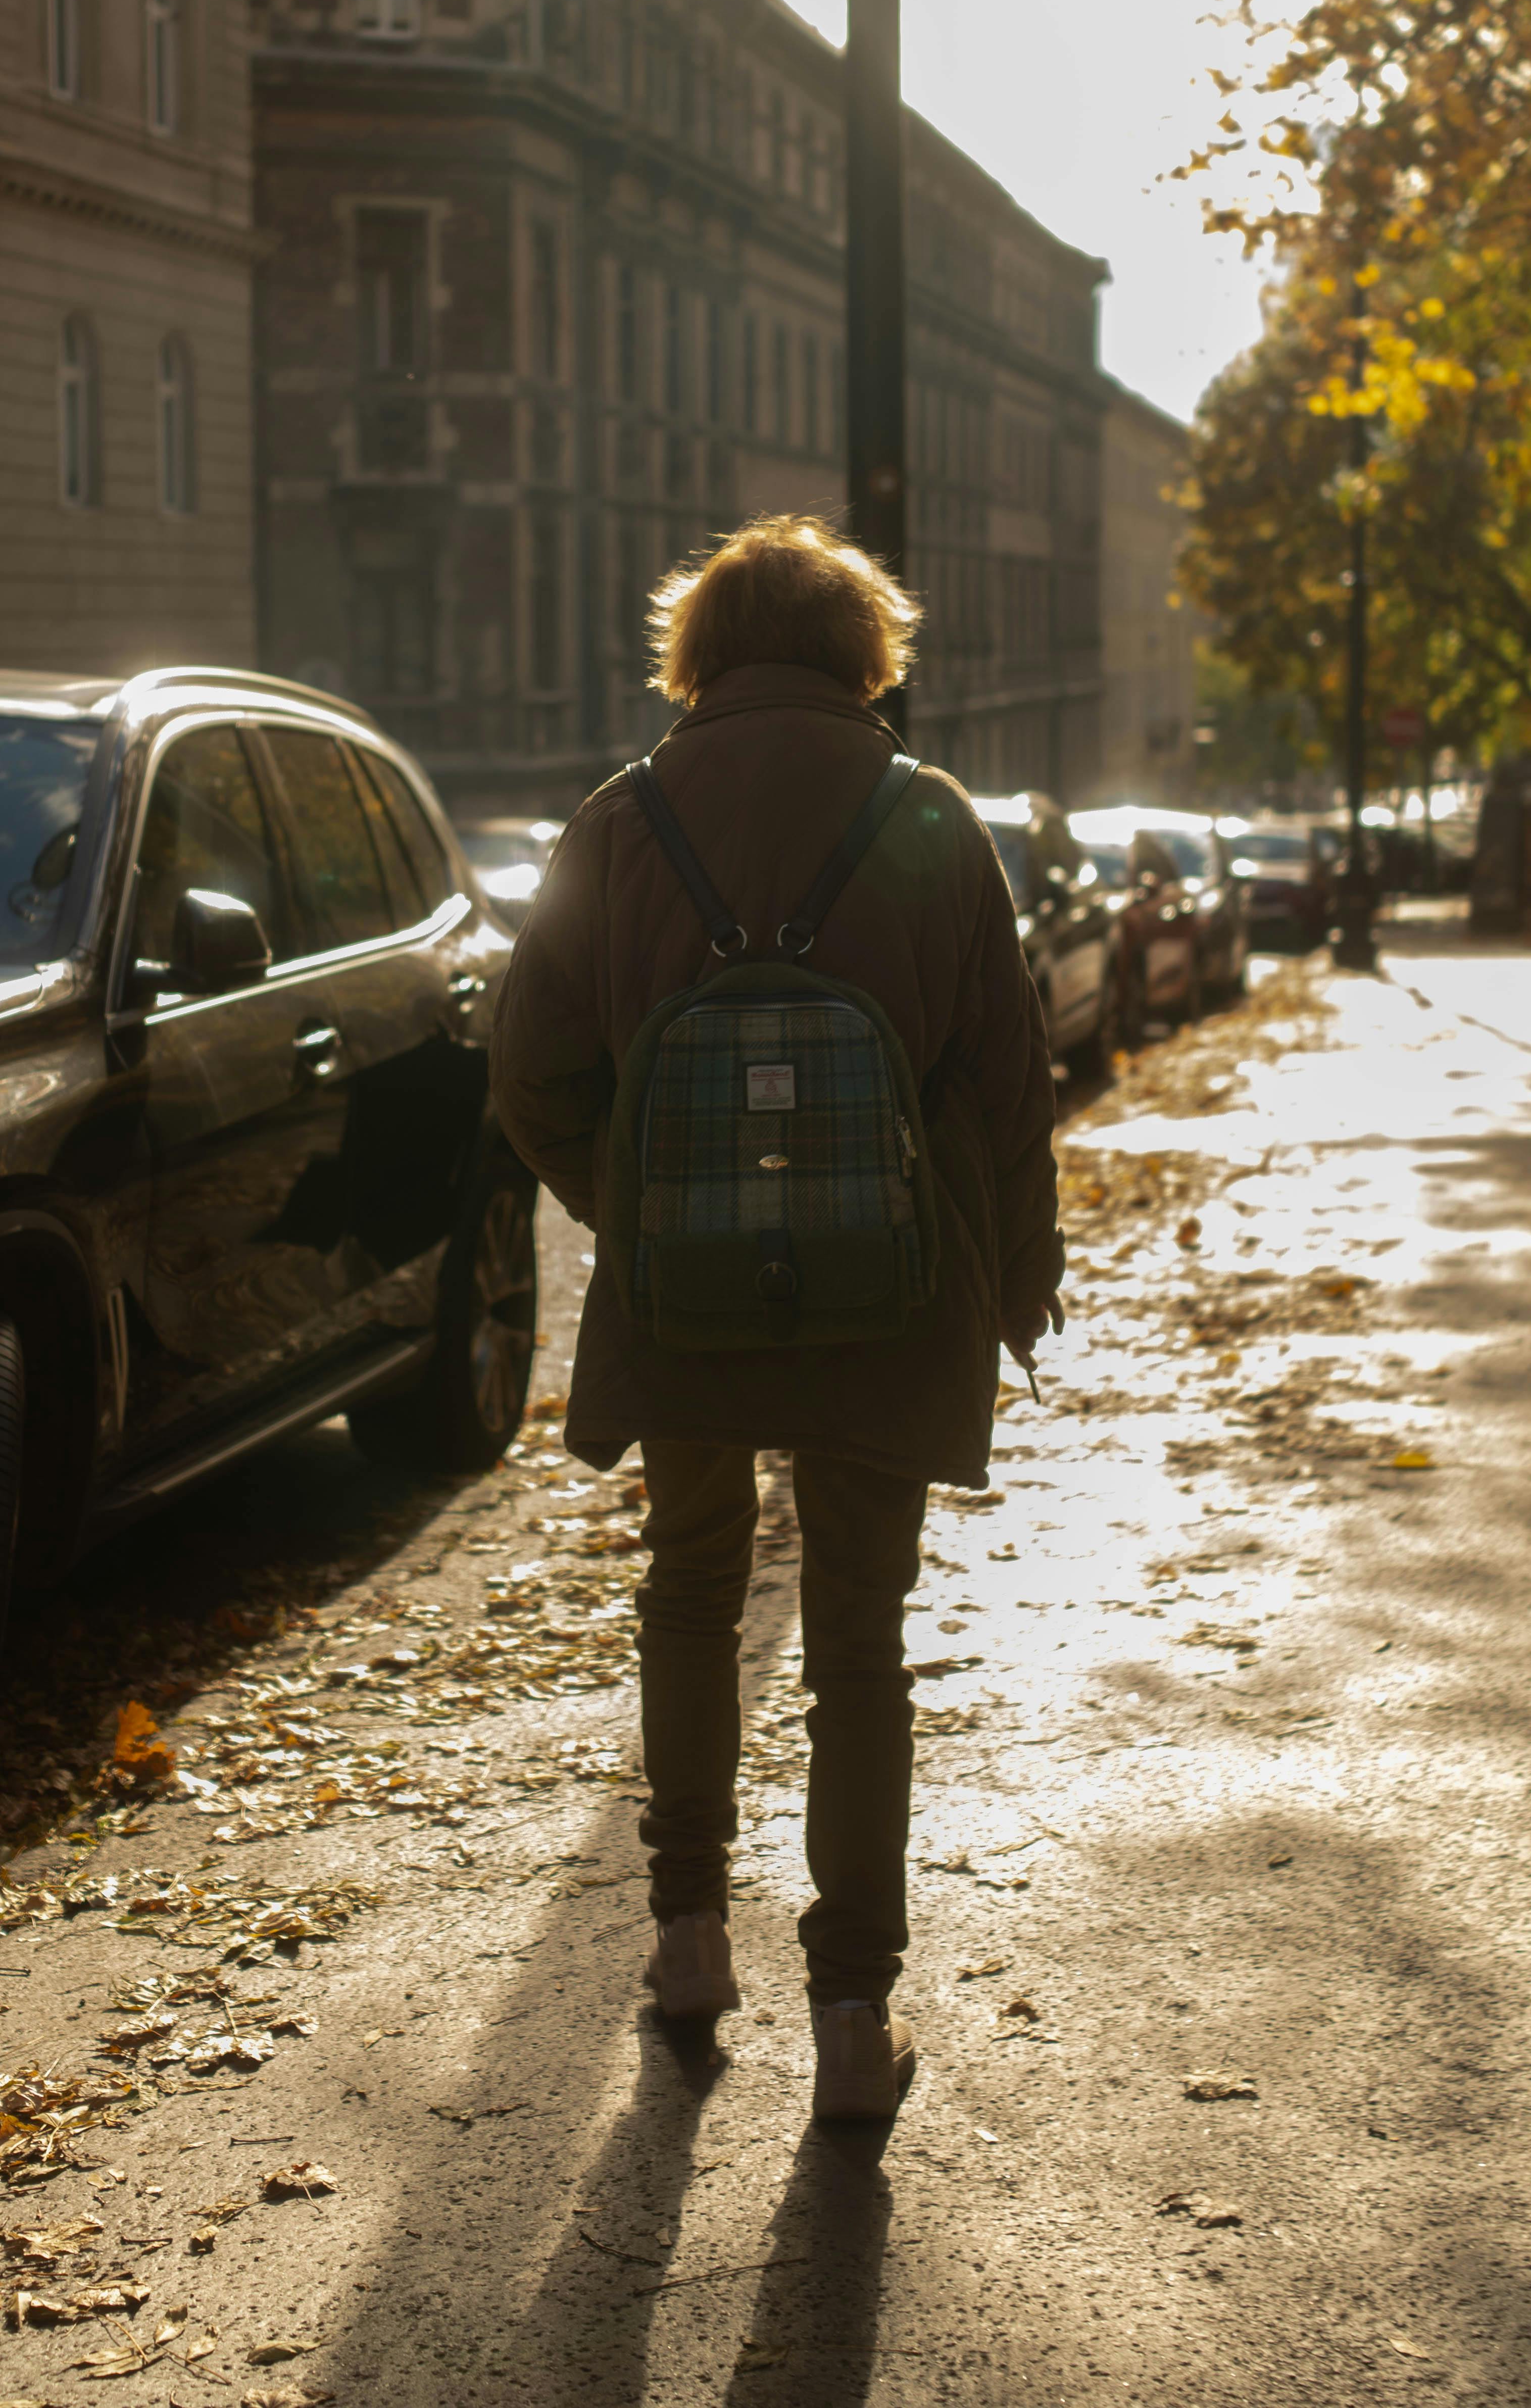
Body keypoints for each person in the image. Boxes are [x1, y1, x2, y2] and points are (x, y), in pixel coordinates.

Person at [489, 514, 1063, 2120]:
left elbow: (529, 1071)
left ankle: (686, 1937)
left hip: (689, 1304)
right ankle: (853, 2018)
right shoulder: (932, 818)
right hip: (892, 1296)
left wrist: (641, 1209)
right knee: (860, 1649)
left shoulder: (618, 823)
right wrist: (1016, 1284)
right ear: (864, 653)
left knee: (690, 1588)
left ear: (703, 654)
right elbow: (1011, 1087)